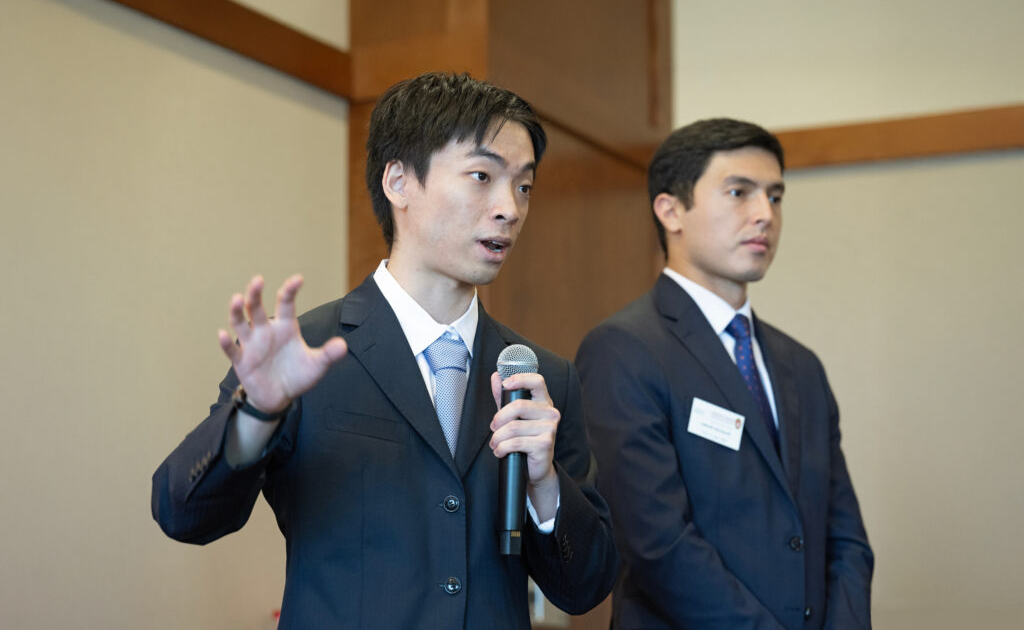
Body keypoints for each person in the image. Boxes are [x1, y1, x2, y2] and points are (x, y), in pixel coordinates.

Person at [152, 72, 617, 629]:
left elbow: (584, 587)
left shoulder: (541, 379)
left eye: (523, 186)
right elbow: (183, 515)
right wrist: (257, 412)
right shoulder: (305, 356)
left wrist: (545, 486)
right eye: (481, 176)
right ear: (398, 181)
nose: (509, 208)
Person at [576, 118, 873, 629]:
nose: (765, 215)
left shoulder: (801, 365)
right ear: (671, 210)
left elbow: (844, 538)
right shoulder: (624, 348)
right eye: (739, 192)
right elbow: (658, 543)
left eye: (775, 197)